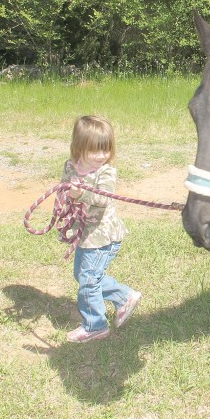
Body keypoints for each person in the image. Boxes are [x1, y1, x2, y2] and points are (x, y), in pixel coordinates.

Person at [62, 115, 141, 343]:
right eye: (94, 150)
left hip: (102, 237)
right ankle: (124, 296)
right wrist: (68, 195)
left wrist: (81, 194)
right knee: (83, 275)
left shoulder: (106, 172)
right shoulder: (71, 166)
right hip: (85, 235)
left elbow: (103, 198)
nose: (101, 155)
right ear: (79, 146)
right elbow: (64, 188)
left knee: (88, 280)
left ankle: (95, 325)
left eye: (105, 149)